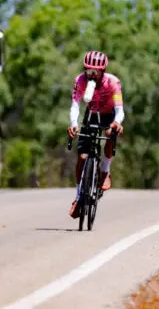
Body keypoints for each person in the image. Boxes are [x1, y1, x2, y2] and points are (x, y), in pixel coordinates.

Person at [67, 50, 125, 219]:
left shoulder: (113, 82)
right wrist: (73, 124)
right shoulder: (80, 80)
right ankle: (78, 197)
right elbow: (75, 105)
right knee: (83, 157)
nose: (91, 75)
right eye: (88, 71)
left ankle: (105, 172)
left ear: (103, 71)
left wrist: (117, 123)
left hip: (109, 115)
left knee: (108, 133)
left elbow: (120, 110)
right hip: (91, 114)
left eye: (96, 72)